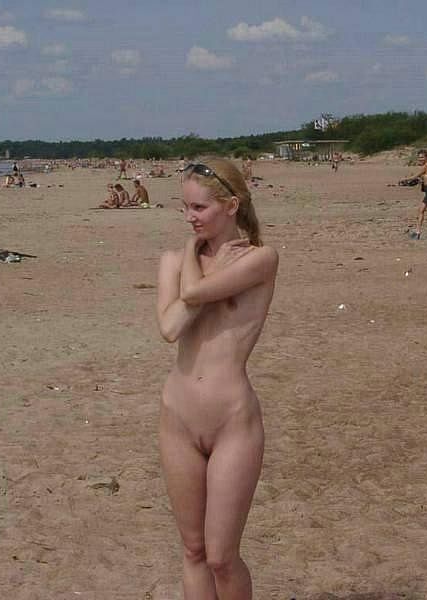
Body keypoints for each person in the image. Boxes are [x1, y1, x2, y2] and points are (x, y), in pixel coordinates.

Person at [156, 157, 278, 600]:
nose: (190, 218)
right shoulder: (173, 260)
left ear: (231, 205)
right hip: (177, 417)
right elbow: (170, 328)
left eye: (199, 208)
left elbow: (192, 295)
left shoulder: (260, 259)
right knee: (193, 551)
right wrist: (192, 253)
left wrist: (195, 266)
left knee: (221, 557)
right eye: (185, 208)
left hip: (231, 420)